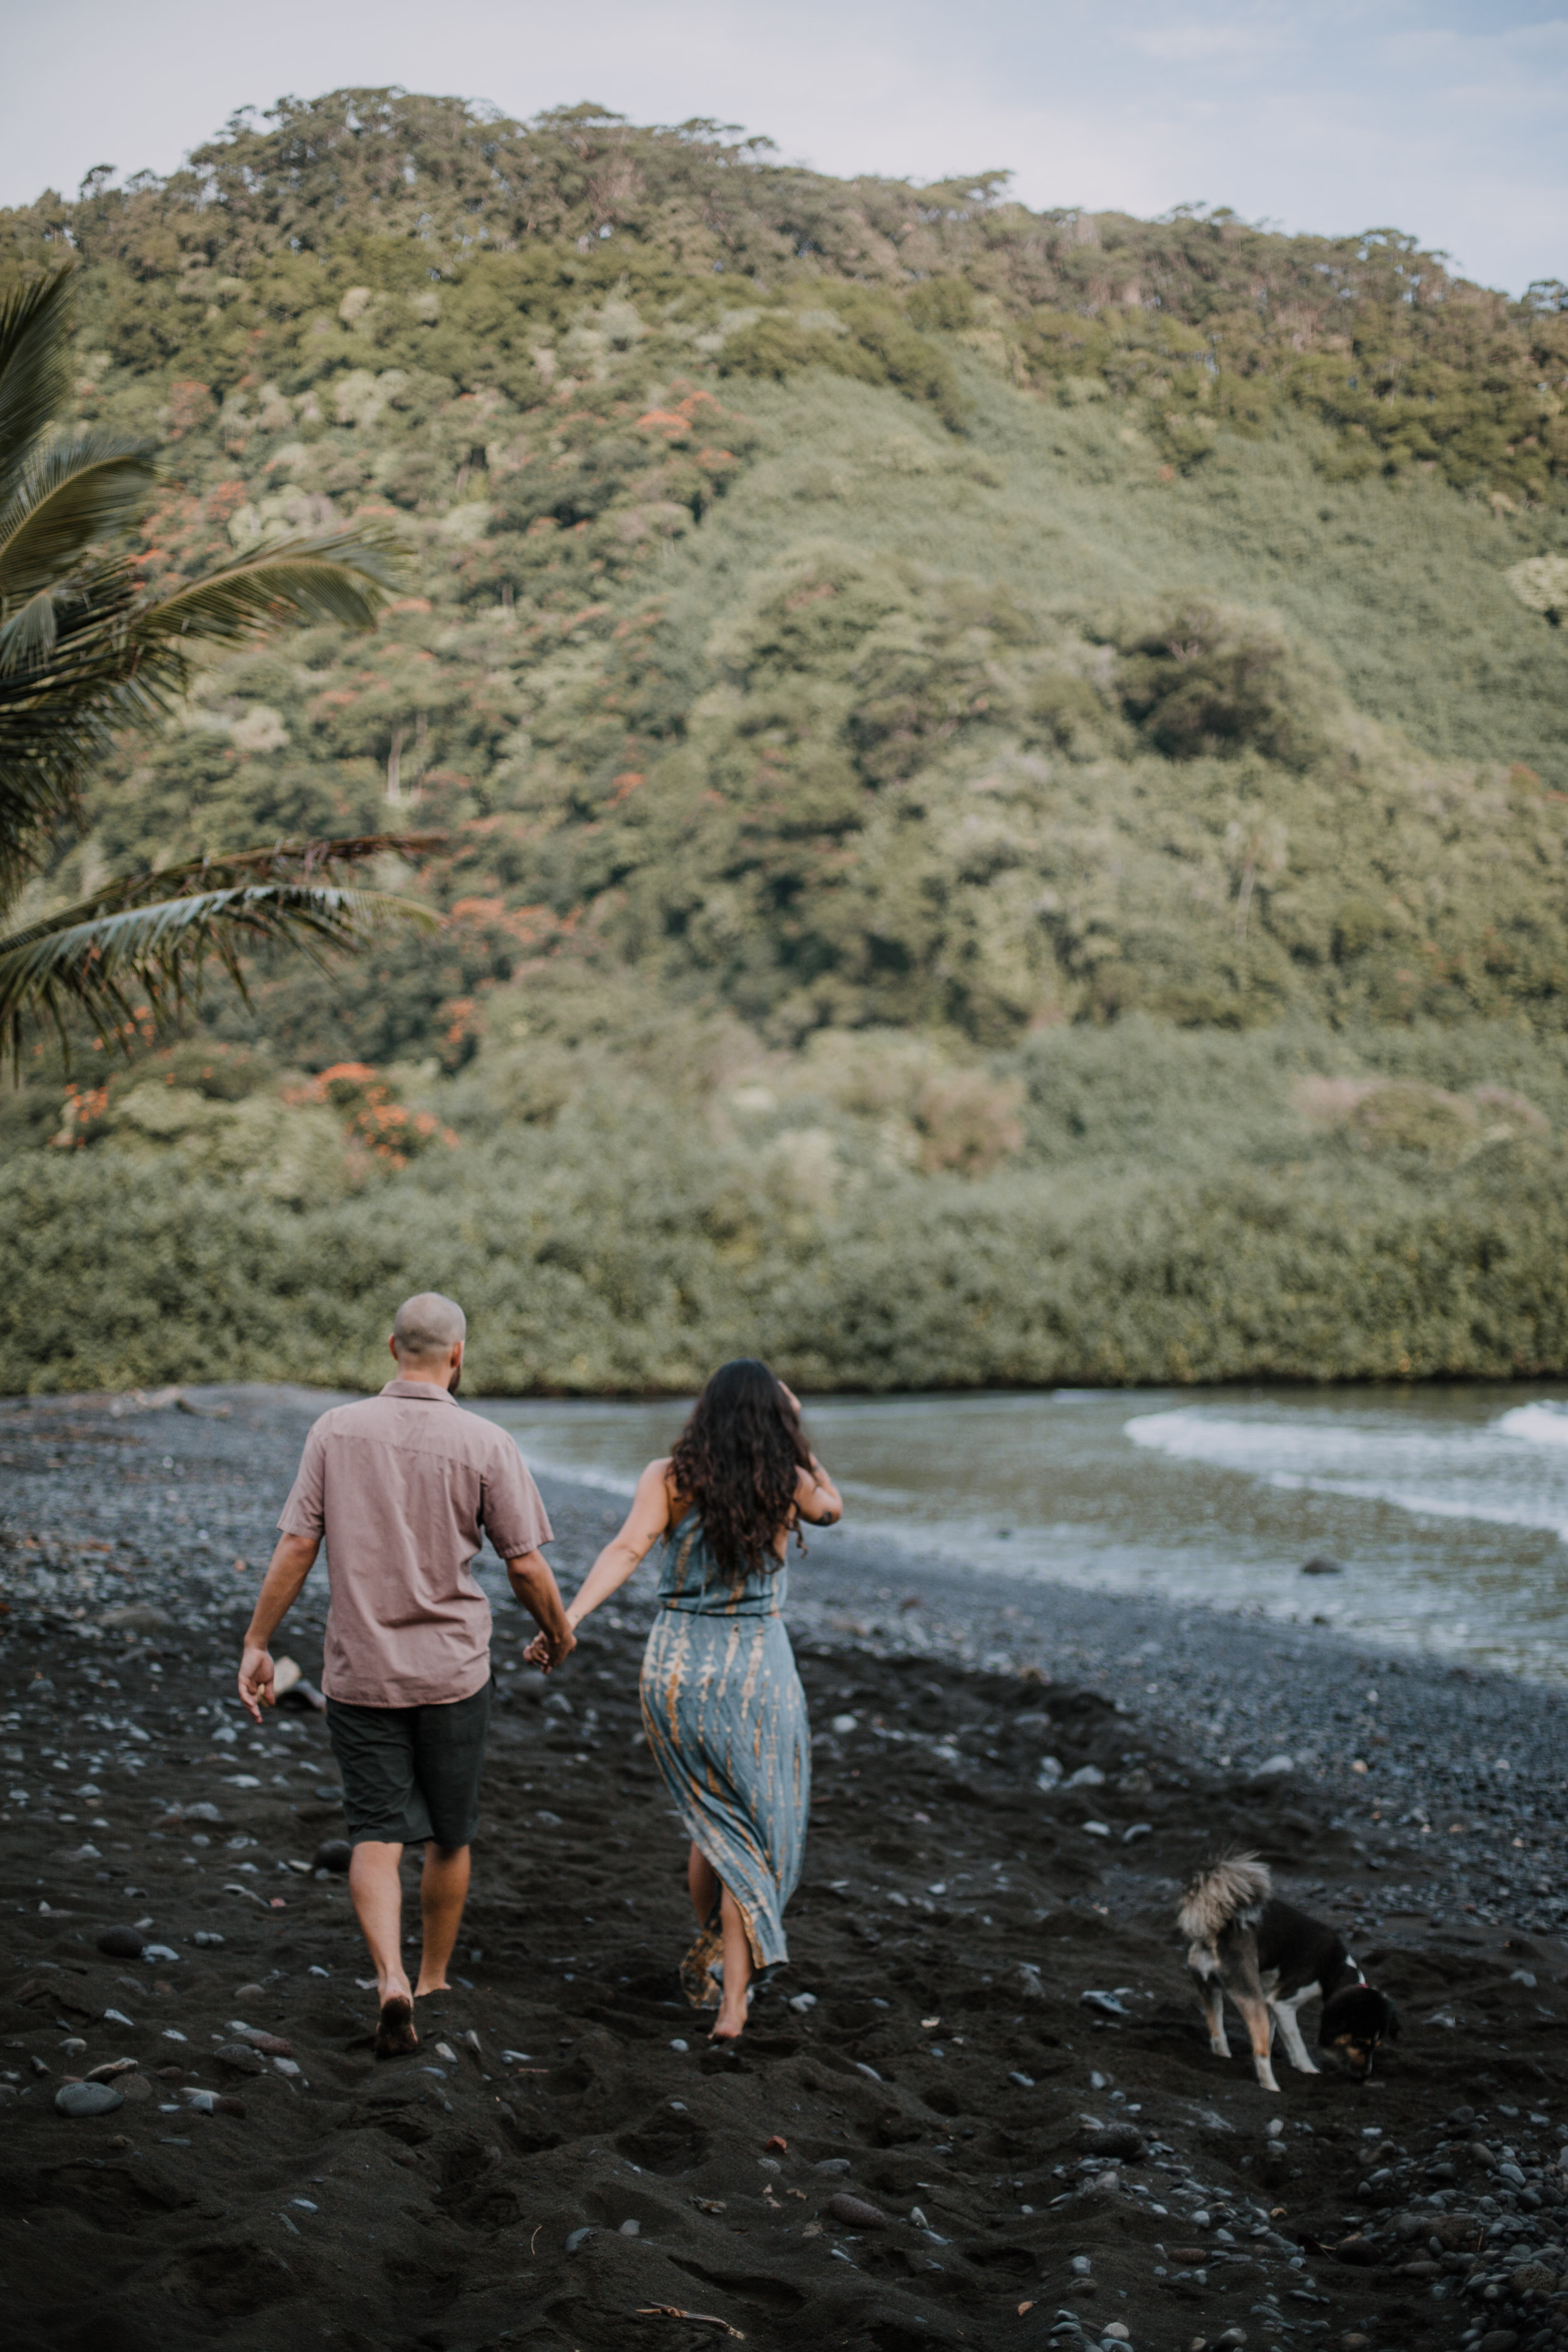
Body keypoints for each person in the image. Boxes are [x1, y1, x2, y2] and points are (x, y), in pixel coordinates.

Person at [238, 1291, 575, 2058]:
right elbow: (525, 1566)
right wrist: (558, 1632)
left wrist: (258, 1640)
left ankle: (386, 1976)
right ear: (458, 1355)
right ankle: (431, 1978)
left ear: (393, 1348)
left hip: (359, 1671)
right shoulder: (486, 1442)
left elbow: (297, 1547)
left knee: (375, 1834)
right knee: (450, 1837)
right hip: (453, 1671)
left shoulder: (335, 1430)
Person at [545, 1360, 840, 2040]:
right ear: (775, 1418)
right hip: (756, 1670)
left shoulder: (669, 1477)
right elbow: (833, 1508)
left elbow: (626, 1549)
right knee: (752, 1834)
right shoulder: (787, 1482)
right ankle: (734, 2002)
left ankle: (714, 1957)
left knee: (714, 1826)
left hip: (678, 1669)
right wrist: (797, 1442)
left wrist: (571, 1619)